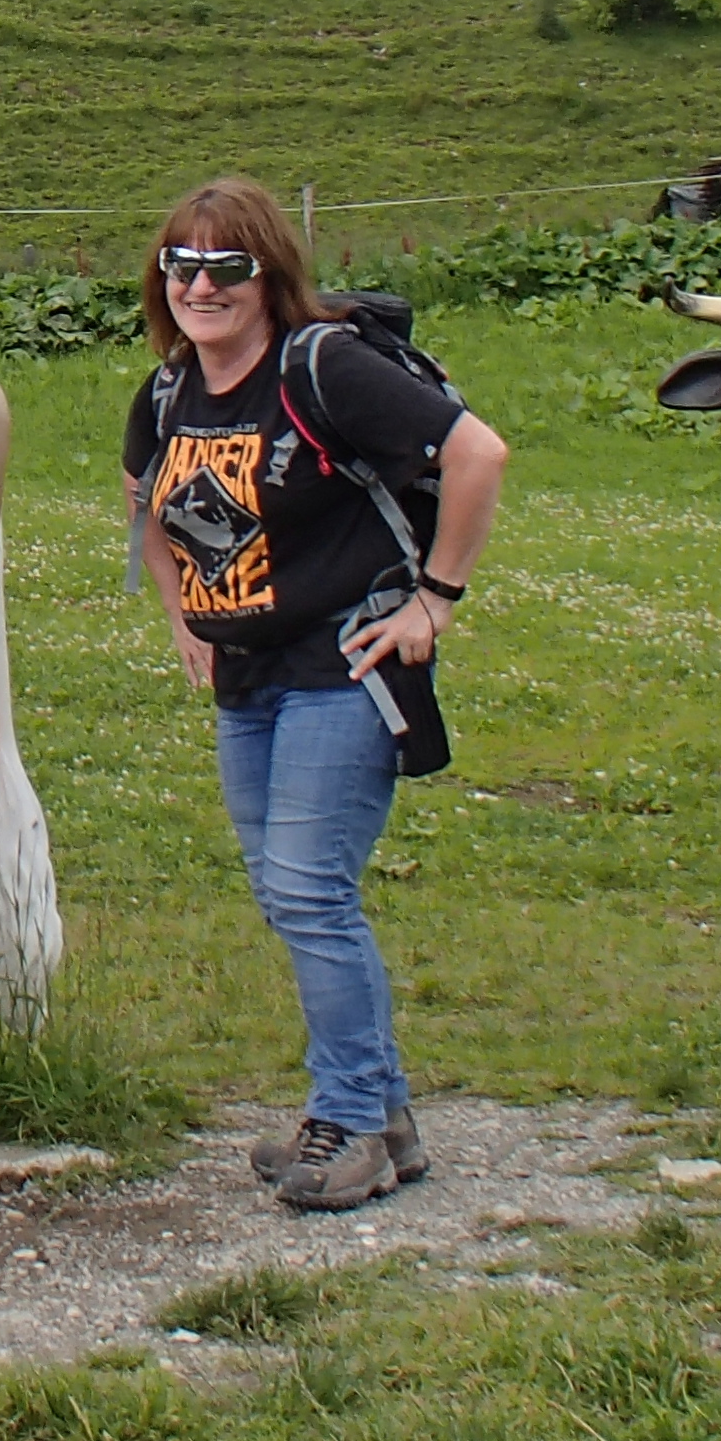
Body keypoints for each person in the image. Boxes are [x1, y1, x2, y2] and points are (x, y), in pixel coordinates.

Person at [124, 176, 508, 1211]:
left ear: (267, 275)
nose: (201, 286)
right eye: (181, 266)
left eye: (226, 267)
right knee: (284, 894)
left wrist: (435, 598)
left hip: (342, 667)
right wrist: (181, 617)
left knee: (306, 892)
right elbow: (144, 504)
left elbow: (475, 452)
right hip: (245, 676)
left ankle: (350, 1123)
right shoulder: (166, 390)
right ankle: (378, 1115)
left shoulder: (320, 366)